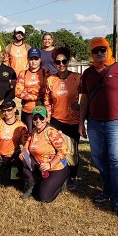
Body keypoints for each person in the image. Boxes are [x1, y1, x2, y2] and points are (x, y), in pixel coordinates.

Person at [79, 37, 118, 216]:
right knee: (98, 157)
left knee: (116, 159)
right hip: (94, 123)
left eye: (103, 50)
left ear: (108, 50)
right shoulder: (88, 73)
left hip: (117, 122)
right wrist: (81, 122)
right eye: (96, 50)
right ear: (91, 53)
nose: (100, 53)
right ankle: (108, 188)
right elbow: (84, 99)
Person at [44, 46, 81, 189]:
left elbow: (84, 98)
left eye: (64, 61)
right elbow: (47, 100)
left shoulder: (77, 78)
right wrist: (48, 117)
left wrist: (82, 114)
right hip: (56, 121)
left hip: (73, 121)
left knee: (72, 151)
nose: (61, 65)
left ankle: (72, 176)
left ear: (68, 62)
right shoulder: (50, 80)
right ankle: (59, 175)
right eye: (58, 62)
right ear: (54, 63)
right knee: (56, 150)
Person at [20, 105, 69, 203]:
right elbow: (27, 145)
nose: (38, 120)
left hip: (56, 168)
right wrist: (23, 152)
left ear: (47, 118)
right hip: (41, 166)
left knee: (44, 197)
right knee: (22, 159)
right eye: (35, 118)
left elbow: (63, 150)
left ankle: (61, 183)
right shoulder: (34, 131)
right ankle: (32, 184)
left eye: (41, 117)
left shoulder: (51, 132)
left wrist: (50, 165)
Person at [0, 100, 29, 184]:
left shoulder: (21, 126)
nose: (6, 113)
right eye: (4, 110)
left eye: (9, 110)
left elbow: (26, 144)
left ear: (15, 109)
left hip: (13, 156)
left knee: (8, 182)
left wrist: (24, 152)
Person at [15, 47, 46, 132]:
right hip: (27, 111)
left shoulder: (46, 73)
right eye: (31, 59)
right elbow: (18, 92)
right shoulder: (23, 73)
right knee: (27, 136)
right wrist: (37, 96)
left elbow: (48, 91)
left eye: (36, 59)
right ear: (28, 60)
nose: (33, 61)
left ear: (40, 59)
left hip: (42, 111)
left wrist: (28, 92)